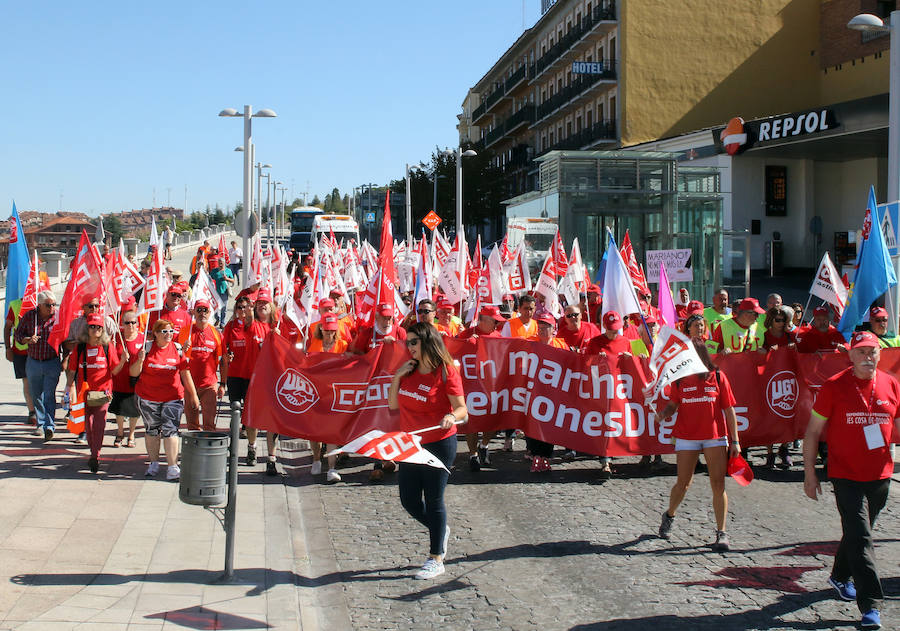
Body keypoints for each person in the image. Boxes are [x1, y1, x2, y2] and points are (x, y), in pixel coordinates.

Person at [803, 331, 900, 630]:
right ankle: (871, 606)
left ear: (880, 354)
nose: (867, 357)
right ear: (850, 355)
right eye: (860, 352)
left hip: (881, 474)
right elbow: (812, 432)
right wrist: (810, 473)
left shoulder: (891, 384)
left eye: (872, 351)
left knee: (859, 533)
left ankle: (839, 575)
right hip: (845, 474)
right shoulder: (834, 387)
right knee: (862, 538)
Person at [388, 322, 468, 580]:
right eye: (407, 342)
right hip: (411, 444)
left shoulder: (446, 371)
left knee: (434, 499)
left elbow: (462, 410)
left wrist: (450, 416)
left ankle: (436, 557)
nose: (408, 346)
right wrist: (397, 377)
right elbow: (392, 406)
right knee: (409, 501)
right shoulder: (409, 370)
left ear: (427, 341)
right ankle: (440, 529)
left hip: (439, 443)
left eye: (413, 342)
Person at [655, 339, 741, 551]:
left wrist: (735, 441)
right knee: (683, 483)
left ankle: (722, 532)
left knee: (718, 484)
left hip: (714, 436)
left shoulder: (718, 376)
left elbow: (729, 410)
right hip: (686, 436)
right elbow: (674, 404)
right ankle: (670, 514)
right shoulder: (679, 379)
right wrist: (664, 414)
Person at [131, 319, 200, 481]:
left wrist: (194, 395)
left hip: (172, 398)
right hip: (148, 398)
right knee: (152, 430)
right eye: (164, 331)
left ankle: (172, 467)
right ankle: (154, 463)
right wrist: (140, 360)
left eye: (171, 331)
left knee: (171, 431)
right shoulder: (146, 349)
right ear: (155, 333)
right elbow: (133, 373)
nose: (169, 335)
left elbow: (185, 373)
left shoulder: (177, 349)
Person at [64, 314, 126, 473]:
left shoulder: (107, 347)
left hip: (102, 393)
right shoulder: (80, 348)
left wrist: (124, 360)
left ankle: (95, 455)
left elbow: (115, 370)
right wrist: (69, 387)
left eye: (98, 327)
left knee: (98, 425)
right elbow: (72, 370)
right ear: (87, 329)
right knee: (88, 425)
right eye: (92, 326)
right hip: (83, 392)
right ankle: (93, 451)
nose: (95, 330)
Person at [222, 292, 268, 466]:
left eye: (246, 307)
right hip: (235, 376)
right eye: (239, 307)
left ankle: (252, 447)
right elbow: (223, 349)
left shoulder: (259, 326)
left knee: (251, 416)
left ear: (252, 308)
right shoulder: (231, 326)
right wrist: (226, 357)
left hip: (253, 378)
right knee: (235, 412)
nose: (242, 310)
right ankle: (233, 445)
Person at [457, 305, 504, 469]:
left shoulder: (498, 336)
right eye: (495, 321)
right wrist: (465, 342)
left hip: (492, 386)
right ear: (483, 320)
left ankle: (484, 445)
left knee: (491, 421)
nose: (497, 324)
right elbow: (453, 347)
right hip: (470, 386)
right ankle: (472, 455)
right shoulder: (468, 334)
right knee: (472, 422)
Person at [307, 313, 348, 483]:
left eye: (332, 331)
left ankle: (332, 467)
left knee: (331, 433)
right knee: (314, 431)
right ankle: (317, 459)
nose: (329, 334)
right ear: (321, 328)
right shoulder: (314, 344)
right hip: (316, 393)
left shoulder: (343, 345)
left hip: (334, 394)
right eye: (327, 330)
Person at [14, 291, 61, 441]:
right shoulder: (30, 317)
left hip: (52, 361)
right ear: (40, 305)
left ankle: (49, 426)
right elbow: (18, 335)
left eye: (54, 304)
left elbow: (65, 337)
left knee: (49, 395)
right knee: (36, 395)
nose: (52, 307)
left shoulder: (58, 317)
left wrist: (66, 357)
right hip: (33, 361)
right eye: (48, 305)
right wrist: (27, 339)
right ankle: (40, 423)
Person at [177, 300, 224, 433]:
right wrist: (182, 349)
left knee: (209, 425)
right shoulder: (186, 331)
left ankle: (207, 452)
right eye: (198, 310)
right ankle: (194, 452)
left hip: (209, 385)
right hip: (190, 385)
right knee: (192, 426)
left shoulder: (216, 333)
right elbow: (176, 356)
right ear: (193, 312)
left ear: (210, 313)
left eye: (205, 310)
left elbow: (223, 360)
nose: (202, 313)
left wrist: (223, 384)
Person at [111, 307, 143, 448]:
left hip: (136, 380)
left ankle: (131, 434)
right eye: (127, 323)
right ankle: (119, 432)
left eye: (133, 322)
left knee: (134, 410)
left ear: (137, 324)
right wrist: (122, 359)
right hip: (119, 378)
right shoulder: (116, 338)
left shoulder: (142, 339)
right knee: (120, 408)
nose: (130, 325)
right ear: (122, 324)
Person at [5, 297, 36, 425]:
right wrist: (8, 348)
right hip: (20, 351)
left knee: (40, 383)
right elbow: (7, 327)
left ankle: (41, 410)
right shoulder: (16, 304)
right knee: (27, 382)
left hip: (40, 351)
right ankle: (32, 412)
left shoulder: (43, 302)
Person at [209, 257, 236, 327]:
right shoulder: (214, 271)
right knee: (215, 308)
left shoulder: (228, 271)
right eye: (219, 263)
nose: (220, 264)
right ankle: (217, 318)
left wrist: (227, 278)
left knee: (224, 308)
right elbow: (209, 278)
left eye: (222, 263)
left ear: (224, 263)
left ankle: (222, 322)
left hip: (224, 292)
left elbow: (233, 280)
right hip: (215, 292)